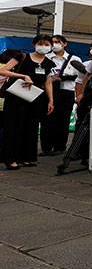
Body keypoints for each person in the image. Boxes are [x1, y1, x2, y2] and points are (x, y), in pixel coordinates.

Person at [0, 35, 56, 169]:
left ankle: (27, 157)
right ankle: (10, 159)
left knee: (31, 128)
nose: (43, 47)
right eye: (40, 44)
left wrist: (51, 100)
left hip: (35, 98)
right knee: (13, 127)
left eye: (46, 44)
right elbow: (3, 70)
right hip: (16, 97)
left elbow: (48, 83)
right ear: (34, 45)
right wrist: (24, 76)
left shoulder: (49, 63)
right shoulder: (22, 57)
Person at [40, 34, 83, 156]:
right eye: (52, 42)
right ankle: (46, 147)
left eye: (57, 42)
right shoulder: (46, 58)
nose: (55, 44)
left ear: (64, 44)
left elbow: (80, 76)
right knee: (47, 119)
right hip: (49, 91)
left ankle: (60, 146)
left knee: (62, 120)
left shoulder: (74, 59)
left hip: (66, 91)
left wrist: (63, 78)